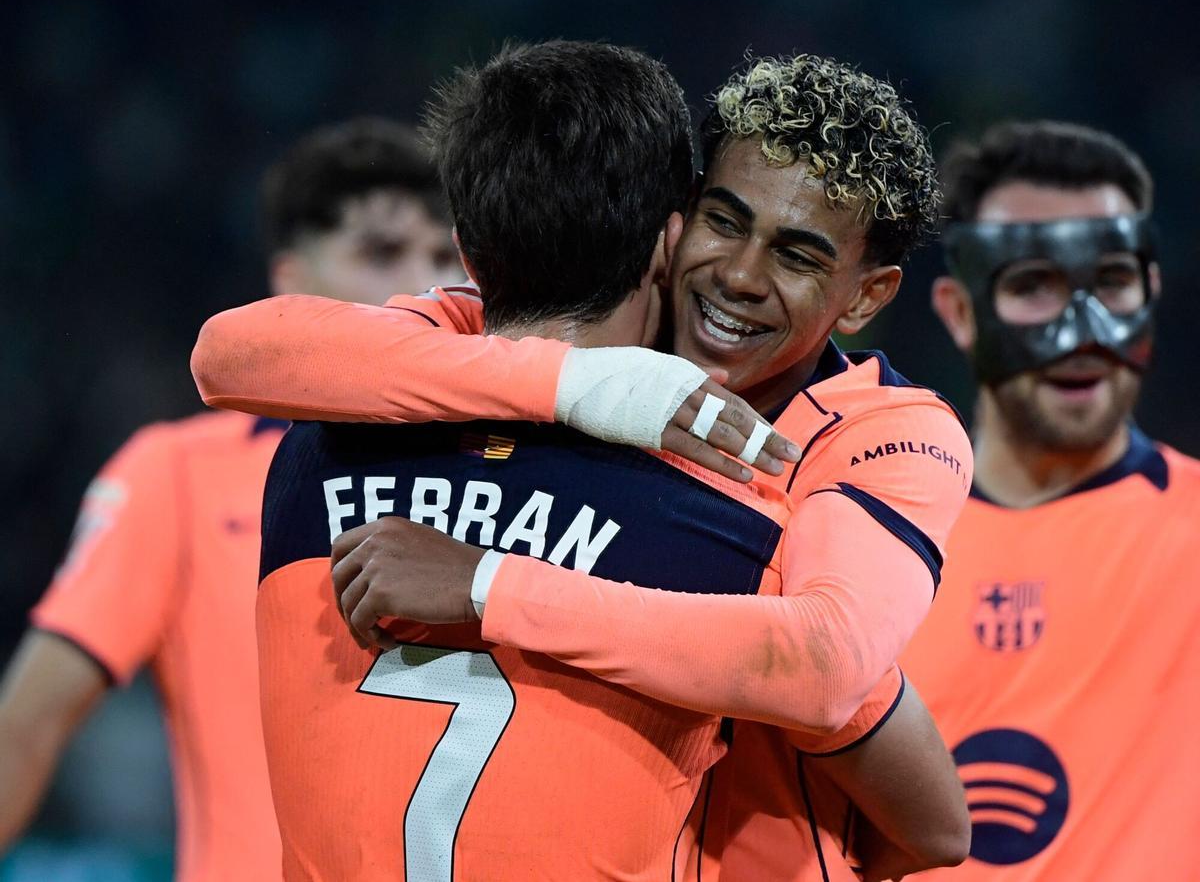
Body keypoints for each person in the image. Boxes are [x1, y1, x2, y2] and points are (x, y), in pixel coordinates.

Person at [194, 50, 972, 880]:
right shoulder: (541, 349)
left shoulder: (880, 435)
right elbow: (236, 352)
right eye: (726, 220)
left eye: (799, 256)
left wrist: (491, 582)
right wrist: (579, 385)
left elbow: (827, 670)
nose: (742, 275)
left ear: (866, 294)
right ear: (672, 228)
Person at [0, 117, 460, 880]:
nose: (423, 284)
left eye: (446, 254)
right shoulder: (176, 475)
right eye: (381, 252)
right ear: (289, 283)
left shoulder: (517, 467)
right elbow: (28, 720)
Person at [899, 120, 1200, 880]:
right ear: (961, 312)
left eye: (1110, 282)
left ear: (1150, 290)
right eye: (1032, 284)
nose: (1082, 331)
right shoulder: (865, 541)